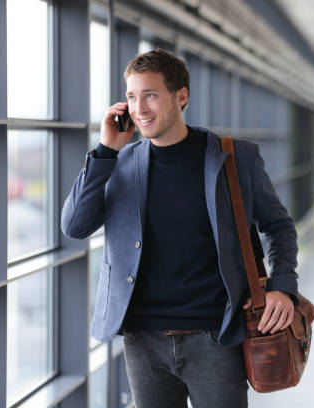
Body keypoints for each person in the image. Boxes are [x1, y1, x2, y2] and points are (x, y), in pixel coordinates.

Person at [61, 48, 299, 408]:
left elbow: (278, 227)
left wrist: (283, 287)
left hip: (216, 337)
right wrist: (105, 151)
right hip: (143, 342)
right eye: (131, 97)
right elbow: (74, 226)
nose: (139, 108)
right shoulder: (118, 163)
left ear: (181, 96)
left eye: (151, 95)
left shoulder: (234, 158)